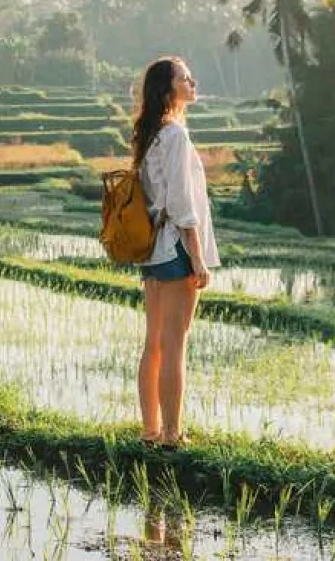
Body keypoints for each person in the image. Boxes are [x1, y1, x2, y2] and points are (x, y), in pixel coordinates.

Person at [131, 56, 219, 449]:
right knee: (174, 344)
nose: (193, 82)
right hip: (176, 249)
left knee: (154, 343)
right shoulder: (176, 136)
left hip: (152, 248)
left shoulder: (150, 134)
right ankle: (172, 434)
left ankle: (151, 430)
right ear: (170, 90)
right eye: (186, 78)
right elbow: (184, 204)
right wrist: (197, 257)